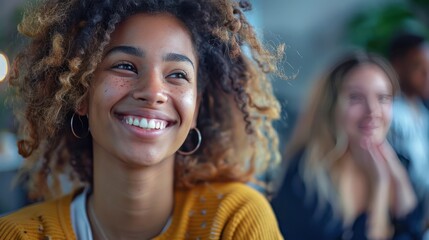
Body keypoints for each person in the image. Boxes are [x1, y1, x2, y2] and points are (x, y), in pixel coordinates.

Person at [0, 0, 284, 239]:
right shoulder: (18, 234)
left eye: (177, 75)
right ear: (80, 95)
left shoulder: (234, 221)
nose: (153, 93)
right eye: (125, 66)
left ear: (195, 108)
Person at [271, 52, 423, 239]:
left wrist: (397, 176)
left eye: (383, 97)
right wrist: (380, 186)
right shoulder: (303, 176)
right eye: (356, 98)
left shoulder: (401, 161)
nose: (373, 111)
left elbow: (414, 232)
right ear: (331, 106)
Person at [386, 32, 429, 227]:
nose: (426, 75)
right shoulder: (390, 113)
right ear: (397, 66)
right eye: (418, 67)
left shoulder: (422, 111)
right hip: (404, 218)